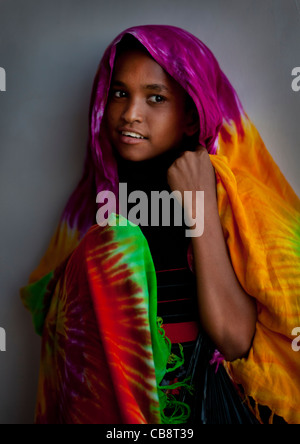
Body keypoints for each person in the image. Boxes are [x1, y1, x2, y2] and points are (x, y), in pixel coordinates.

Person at [20, 25, 300, 424]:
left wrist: (199, 204)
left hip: (202, 402)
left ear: (190, 116)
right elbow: (63, 334)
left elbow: (235, 339)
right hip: (116, 405)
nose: (130, 114)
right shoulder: (95, 202)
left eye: (155, 98)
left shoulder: (225, 193)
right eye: (119, 93)